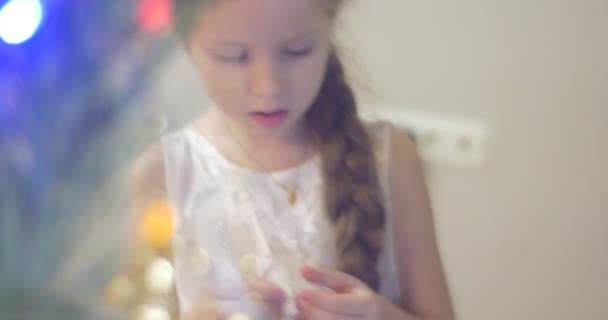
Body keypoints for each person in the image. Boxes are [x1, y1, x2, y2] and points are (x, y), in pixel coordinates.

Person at [130, 0, 455, 319]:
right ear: (184, 42)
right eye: (233, 56)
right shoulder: (165, 172)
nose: (268, 87)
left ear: (329, 32)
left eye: (297, 50)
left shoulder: (389, 156)